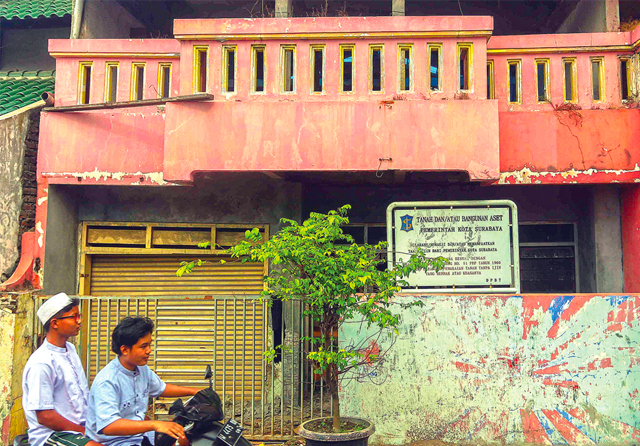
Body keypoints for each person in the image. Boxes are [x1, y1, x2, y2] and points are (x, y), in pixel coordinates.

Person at [86, 317, 200, 446]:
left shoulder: (141, 368)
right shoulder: (107, 381)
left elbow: (161, 388)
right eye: (143, 346)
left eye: (149, 344)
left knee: (183, 438)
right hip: (115, 442)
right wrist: (154, 424)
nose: (149, 350)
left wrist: (195, 392)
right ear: (124, 350)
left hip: (139, 437)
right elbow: (109, 426)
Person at [22, 292, 102, 446]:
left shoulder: (70, 349)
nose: (79, 321)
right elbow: (45, 416)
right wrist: (83, 431)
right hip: (52, 434)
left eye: (79, 316)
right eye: (74, 317)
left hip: (79, 428)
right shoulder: (42, 362)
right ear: (55, 323)